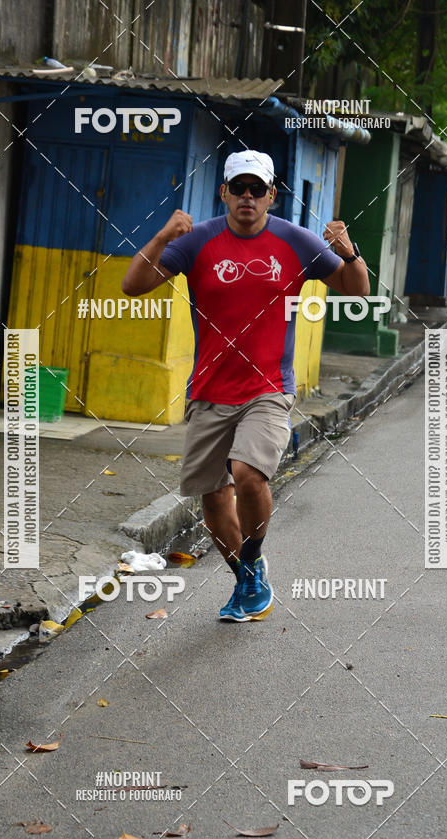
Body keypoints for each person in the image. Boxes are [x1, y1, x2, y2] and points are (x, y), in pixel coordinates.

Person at [122, 150, 369, 622]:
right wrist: (161, 237)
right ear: (225, 193)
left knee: (248, 473)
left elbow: (355, 287)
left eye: (258, 189)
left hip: (269, 388)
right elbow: (133, 286)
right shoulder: (196, 241)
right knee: (213, 497)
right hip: (209, 391)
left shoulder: (294, 241)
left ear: (272, 195)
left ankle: (253, 555)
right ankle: (248, 582)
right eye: (240, 188)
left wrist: (348, 248)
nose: (248, 198)